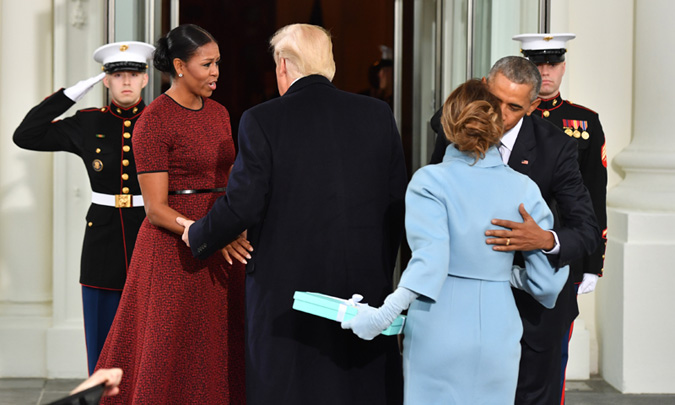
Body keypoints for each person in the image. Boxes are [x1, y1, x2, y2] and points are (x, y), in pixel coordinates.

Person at [177, 23, 407, 404]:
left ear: (283, 66)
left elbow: (244, 204)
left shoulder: (261, 119)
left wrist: (199, 235)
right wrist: (387, 277)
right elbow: (397, 204)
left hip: (287, 297)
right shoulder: (377, 114)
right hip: (365, 291)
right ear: (328, 65)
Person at [342, 79, 569, 403]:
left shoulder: (430, 181)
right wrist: (504, 273)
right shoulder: (524, 188)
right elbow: (547, 284)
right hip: (499, 329)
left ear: (448, 123)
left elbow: (431, 261)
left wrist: (380, 317)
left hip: (439, 326)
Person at [429, 56, 600, 404]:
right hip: (464, 305)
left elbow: (586, 229)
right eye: (493, 100)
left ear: (533, 106)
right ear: (482, 85)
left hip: (533, 313)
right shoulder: (452, 128)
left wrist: (545, 240)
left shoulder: (556, 147)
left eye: (513, 107)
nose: (498, 114)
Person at [94, 24, 246, 403]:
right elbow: (157, 208)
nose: (215, 73)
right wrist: (207, 234)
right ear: (179, 66)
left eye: (218, 64)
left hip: (224, 242)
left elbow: (228, 180)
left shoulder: (221, 113)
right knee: (170, 351)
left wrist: (232, 226)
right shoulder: (154, 120)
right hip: (175, 251)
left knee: (220, 344)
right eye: (207, 64)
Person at [13, 41, 154, 375]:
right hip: (102, 239)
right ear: (105, 81)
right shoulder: (88, 123)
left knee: (149, 333)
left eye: (134, 74)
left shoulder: (159, 119)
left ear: (146, 79)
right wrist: (71, 94)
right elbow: (26, 135)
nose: (126, 82)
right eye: (117, 75)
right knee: (101, 331)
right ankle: (102, 395)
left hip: (149, 232)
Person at [514, 32, 608, 403]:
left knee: (552, 358)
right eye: (537, 64)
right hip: (508, 248)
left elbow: (593, 195)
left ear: (563, 67)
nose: (545, 72)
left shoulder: (582, 121)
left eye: (552, 64)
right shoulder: (504, 115)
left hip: (559, 252)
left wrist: (592, 262)